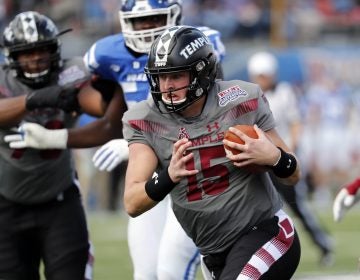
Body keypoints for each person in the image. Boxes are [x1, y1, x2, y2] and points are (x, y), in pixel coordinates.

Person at [6, 1, 226, 279]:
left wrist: (140, 143)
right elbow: (111, 119)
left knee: (175, 269)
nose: (148, 28)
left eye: (155, 18)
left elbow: (208, 121)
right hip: (149, 174)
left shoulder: (197, 44)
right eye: (140, 21)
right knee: (147, 272)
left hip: (195, 171)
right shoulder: (107, 54)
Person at [122, 25, 301, 280]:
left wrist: (274, 157)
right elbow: (132, 202)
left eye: (176, 76)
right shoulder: (144, 119)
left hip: (266, 232)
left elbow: (294, 175)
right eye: (161, 76)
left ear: (200, 72)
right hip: (214, 254)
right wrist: (168, 176)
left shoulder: (242, 99)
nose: (167, 86)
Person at [0, 11, 123, 280]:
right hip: (6, 203)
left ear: (54, 48)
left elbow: (101, 110)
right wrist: (37, 99)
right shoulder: (3, 79)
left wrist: (115, 85)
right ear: (12, 56)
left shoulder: (71, 71)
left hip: (59, 199)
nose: (35, 59)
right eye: (26, 52)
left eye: (42, 50)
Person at [247, 51, 334, 266]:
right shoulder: (248, 97)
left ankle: (324, 244)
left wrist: (290, 152)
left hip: (282, 161)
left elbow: (296, 123)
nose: (262, 80)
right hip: (260, 163)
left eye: (265, 75)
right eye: (259, 76)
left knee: (299, 207)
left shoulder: (284, 93)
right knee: (259, 212)